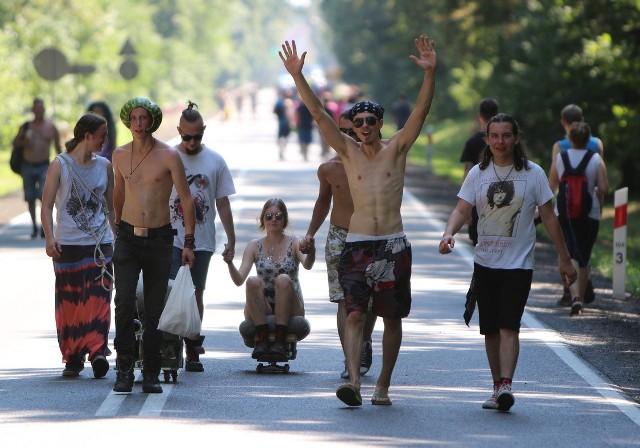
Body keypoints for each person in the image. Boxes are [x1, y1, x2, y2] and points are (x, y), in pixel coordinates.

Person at [279, 35, 437, 407]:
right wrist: (298, 77)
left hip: (393, 243)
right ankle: (353, 380)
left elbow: (421, 111)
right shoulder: (347, 153)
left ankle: (383, 383)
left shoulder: (396, 149)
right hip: (357, 243)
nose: (364, 126)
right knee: (353, 315)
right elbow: (318, 113)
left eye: (370, 121)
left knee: (391, 319)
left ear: (380, 123)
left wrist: (430, 73)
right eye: (358, 121)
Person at [438, 113, 577, 412]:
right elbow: (462, 210)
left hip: (518, 265)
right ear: (487, 139)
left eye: (506, 136)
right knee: (489, 328)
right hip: (485, 262)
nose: (500, 141)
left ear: (516, 138)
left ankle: (507, 384)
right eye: (495, 136)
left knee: (509, 325)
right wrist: (449, 233)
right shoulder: (478, 173)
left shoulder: (533, 174)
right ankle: (496, 386)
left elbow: (550, 217)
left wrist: (564, 259)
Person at [111, 97, 196, 394]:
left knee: (155, 308)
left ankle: (151, 371)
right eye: (133, 117)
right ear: (127, 121)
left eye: (143, 117)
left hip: (160, 238)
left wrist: (188, 241)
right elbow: (118, 194)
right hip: (128, 238)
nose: (138, 123)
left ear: (152, 121)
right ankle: (123, 368)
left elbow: (186, 199)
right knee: (123, 303)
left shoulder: (169, 155)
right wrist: (116, 227)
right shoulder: (119, 155)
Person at [301, 111, 378, 380]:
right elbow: (323, 202)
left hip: (369, 235)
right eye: (342, 131)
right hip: (339, 237)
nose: (347, 136)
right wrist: (310, 233)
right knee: (344, 302)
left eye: (351, 130)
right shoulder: (328, 169)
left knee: (369, 302)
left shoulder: (375, 162)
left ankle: (364, 342)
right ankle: (350, 357)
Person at [40, 113, 116, 379]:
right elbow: (47, 205)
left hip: (100, 243)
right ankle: (72, 356)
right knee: (70, 301)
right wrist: (50, 237)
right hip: (69, 243)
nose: (105, 140)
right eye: (102, 135)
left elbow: (111, 207)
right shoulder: (59, 165)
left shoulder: (105, 166)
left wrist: (118, 240)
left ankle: (97, 351)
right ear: (87, 136)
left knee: (99, 297)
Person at [168, 101, 236, 372]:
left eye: (197, 136)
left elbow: (223, 203)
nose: (192, 142)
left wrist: (231, 239)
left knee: (196, 292)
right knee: (171, 291)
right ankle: (170, 343)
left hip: (203, 239)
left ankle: (193, 344)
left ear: (203, 131)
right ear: (179, 131)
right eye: (186, 137)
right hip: (171, 236)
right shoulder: (169, 156)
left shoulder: (215, 161)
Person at [224, 198, 315, 359]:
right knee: (253, 281)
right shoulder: (254, 245)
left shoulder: (295, 242)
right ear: (263, 220)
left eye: (278, 216)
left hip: (290, 305)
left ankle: (280, 340)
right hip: (263, 304)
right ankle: (263, 340)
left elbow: (307, 264)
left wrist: (311, 251)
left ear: (284, 220)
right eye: (269, 216)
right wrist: (230, 263)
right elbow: (239, 280)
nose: (274, 219)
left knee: (283, 279)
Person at [549, 122, 608, 316]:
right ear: (588, 139)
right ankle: (581, 299)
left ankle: (573, 296)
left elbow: (552, 185)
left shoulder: (560, 157)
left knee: (570, 254)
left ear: (570, 139)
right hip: (589, 213)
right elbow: (604, 188)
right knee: (584, 256)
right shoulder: (596, 159)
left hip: (564, 213)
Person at [12, 98, 62, 239]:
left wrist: (64, 164)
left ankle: (43, 227)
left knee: (43, 195)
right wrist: (24, 141)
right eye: (36, 108)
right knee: (30, 197)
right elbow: (15, 143)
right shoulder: (26, 126)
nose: (38, 111)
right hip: (27, 165)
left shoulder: (51, 127)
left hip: (44, 165)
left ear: (44, 109)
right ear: (33, 110)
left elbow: (57, 146)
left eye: (40, 108)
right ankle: (34, 226)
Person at [460, 98, 499, 246]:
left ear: (479, 115)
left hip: (478, 200)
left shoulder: (472, 142)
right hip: (502, 197)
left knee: (479, 243)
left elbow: (467, 174)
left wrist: (466, 207)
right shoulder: (503, 141)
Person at [274, 88, 295, 161]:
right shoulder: (289, 102)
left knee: (281, 137)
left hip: (281, 122)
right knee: (285, 137)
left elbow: (275, 111)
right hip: (287, 122)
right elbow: (291, 114)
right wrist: (292, 122)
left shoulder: (279, 102)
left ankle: (281, 149)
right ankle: (282, 149)